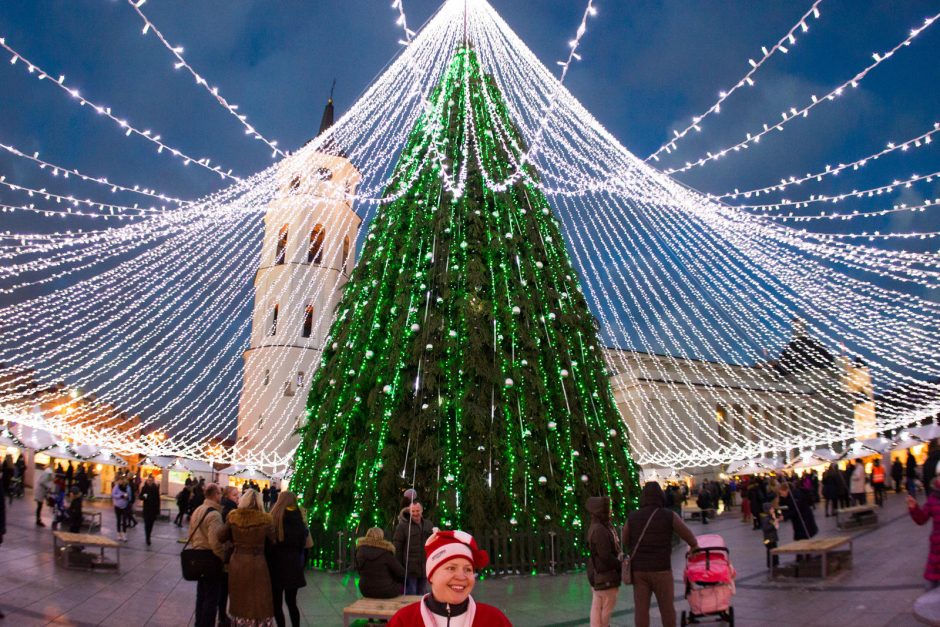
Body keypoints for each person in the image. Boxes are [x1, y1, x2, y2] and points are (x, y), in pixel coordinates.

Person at [388, 530, 511, 626]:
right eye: (451, 568)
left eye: (468, 569)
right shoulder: (403, 621)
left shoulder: (494, 620)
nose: (461, 576)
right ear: (431, 575)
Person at [622, 482, 699, 627]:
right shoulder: (669, 515)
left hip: (639, 571)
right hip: (662, 569)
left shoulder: (632, 517)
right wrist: (694, 547)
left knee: (641, 610)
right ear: (660, 496)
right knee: (667, 609)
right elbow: (689, 537)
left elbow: (625, 540)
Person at [218, 489, 276, 626]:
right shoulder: (266, 519)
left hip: (237, 562)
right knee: (259, 598)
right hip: (258, 563)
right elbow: (273, 540)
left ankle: (240, 623)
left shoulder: (233, 517)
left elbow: (220, 536)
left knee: (239, 598)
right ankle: (259, 623)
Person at [267, 491, 308, 627]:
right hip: (293, 564)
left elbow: (269, 544)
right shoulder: (299, 518)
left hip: (276, 565)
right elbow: (303, 543)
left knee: (277, 604)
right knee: (292, 602)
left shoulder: (273, 517)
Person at [189, 483, 225, 627]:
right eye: (220, 493)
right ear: (215, 494)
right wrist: (222, 557)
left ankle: (199, 623)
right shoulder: (215, 515)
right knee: (211, 598)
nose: (221, 496)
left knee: (201, 596)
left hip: (197, 557)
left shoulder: (198, 510)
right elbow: (215, 542)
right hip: (210, 559)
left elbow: (190, 533)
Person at [586, 496, 621, 627]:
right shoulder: (600, 529)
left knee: (597, 607)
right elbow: (605, 556)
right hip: (606, 575)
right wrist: (619, 564)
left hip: (597, 574)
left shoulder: (595, 526)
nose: (611, 511)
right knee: (606, 608)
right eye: (608, 508)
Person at [393, 501, 435, 595]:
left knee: (422, 595)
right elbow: (397, 548)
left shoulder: (429, 524)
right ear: (409, 511)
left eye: (417, 510)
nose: (415, 513)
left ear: (422, 511)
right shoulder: (403, 526)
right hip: (409, 569)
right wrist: (399, 567)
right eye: (413, 511)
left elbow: (434, 543)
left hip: (424, 568)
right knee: (410, 595)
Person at [908, 477, 940, 590]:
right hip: (937, 552)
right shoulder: (933, 499)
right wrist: (914, 508)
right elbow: (921, 519)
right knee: (930, 588)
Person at [356, 527, 405, 599]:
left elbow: (359, 571)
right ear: (381, 536)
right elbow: (401, 573)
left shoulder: (360, 551)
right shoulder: (386, 552)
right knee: (402, 586)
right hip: (386, 591)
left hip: (365, 590)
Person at [217, 486, 241, 627]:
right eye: (234, 495)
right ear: (227, 496)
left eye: (238, 495)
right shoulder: (231, 512)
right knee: (227, 588)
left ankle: (222, 616)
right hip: (229, 554)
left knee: (224, 588)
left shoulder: (223, 508)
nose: (237, 497)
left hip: (225, 554)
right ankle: (224, 617)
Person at [139, 474, 161, 545]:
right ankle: (147, 537)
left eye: (151, 480)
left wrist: (158, 510)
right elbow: (140, 497)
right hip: (146, 509)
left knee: (151, 524)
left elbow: (158, 500)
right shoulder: (144, 488)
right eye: (149, 480)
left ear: (153, 481)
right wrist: (144, 497)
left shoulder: (155, 488)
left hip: (153, 509)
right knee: (146, 524)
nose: (150, 482)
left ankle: (148, 535)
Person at [760, 502, 779, 568]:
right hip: (768, 539)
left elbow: (775, 526)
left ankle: (775, 563)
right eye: (771, 509)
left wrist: (775, 520)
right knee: (770, 551)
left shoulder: (770, 517)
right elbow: (765, 528)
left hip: (772, 538)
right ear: (767, 510)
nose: (773, 510)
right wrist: (773, 525)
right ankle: (771, 564)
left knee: (774, 551)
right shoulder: (765, 518)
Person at [111, 477, 131, 542]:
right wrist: (120, 496)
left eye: (122, 480)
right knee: (119, 520)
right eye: (120, 480)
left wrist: (127, 498)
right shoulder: (116, 487)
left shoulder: (128, 487)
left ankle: (124, 535)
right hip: (117, 506)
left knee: (124, 520)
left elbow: (130, 496)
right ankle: (118, 534)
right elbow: (113, 494)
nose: (121, 481)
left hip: (125, 506)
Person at [35, 462, 53, 527]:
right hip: (40, 491)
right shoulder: (48, 473)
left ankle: (38, 519)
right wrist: (48, 487)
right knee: (39, 506)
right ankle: (38, 520)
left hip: (41, 491)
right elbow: (43, 482)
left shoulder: (47, 473)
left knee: (39, 506)